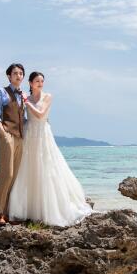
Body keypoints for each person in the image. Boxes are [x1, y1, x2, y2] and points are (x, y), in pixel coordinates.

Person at [8, 71, 93, 227]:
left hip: (42, 134)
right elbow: (22, 116)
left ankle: (49, 209)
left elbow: (41, 115)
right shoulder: (26, 97)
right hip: (29, 133)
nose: (40, 83)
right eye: (37, 81)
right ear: (30, 83)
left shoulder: (47, 96)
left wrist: (26, 102)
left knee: (47, 167)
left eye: (42, 81)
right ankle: (28, 209)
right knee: (28, 169)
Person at [0, 63, 27, 227]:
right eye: (15, 73)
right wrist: (3, 133)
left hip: (20, 138)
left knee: (15, 176)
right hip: (7, 136)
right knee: (7, 174)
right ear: (9, 76)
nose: (18, 76)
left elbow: (23, 118)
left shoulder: (22, 95)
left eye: (21, 73)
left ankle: (8, 213)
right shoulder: (1, 92)